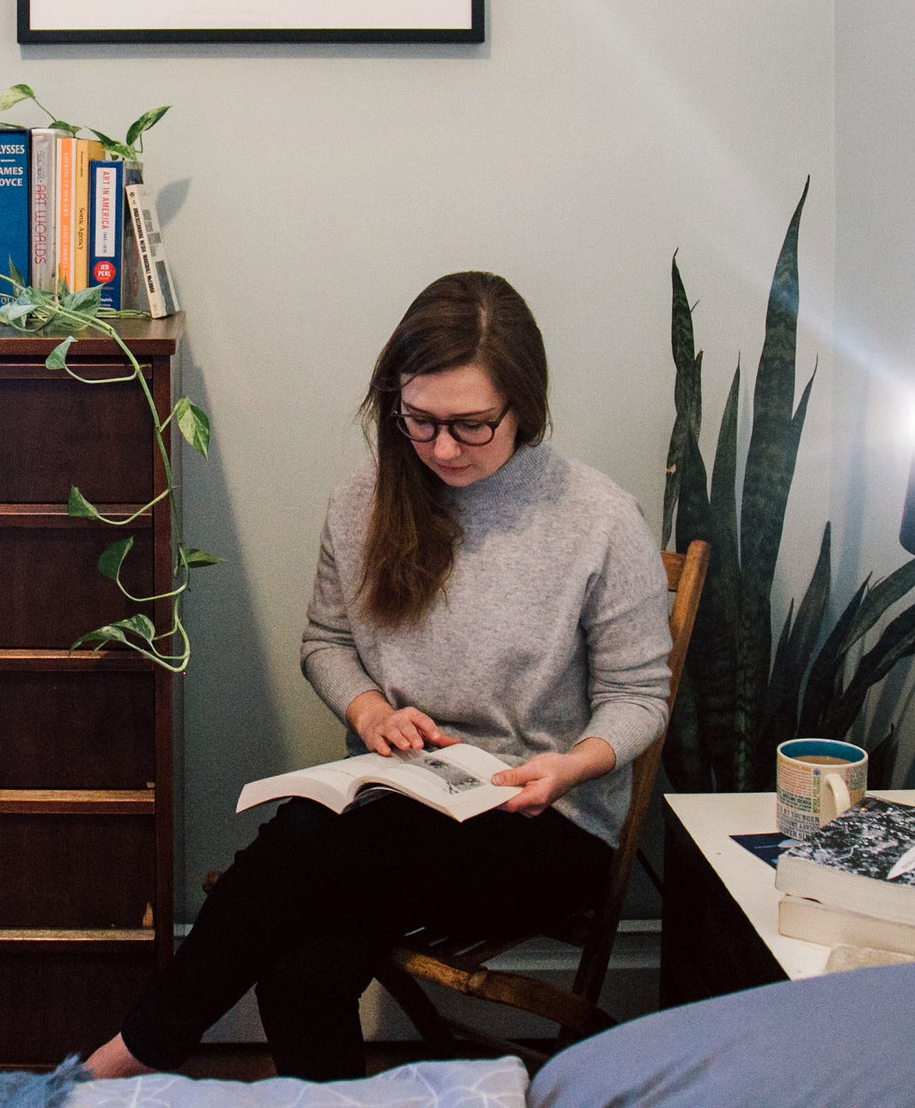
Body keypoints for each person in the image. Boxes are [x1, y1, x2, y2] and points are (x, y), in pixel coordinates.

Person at [85, 271, 673, 1082]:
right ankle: (159, 1056)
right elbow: (327, 641)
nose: (440, 448)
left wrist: (572, 763)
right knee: (302, 974)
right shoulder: (368, 496)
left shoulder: (600, 519)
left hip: (547, 821)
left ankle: (131, 1052)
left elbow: (640, 697)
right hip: (400, 803)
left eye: (472, 426)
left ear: (524, 408)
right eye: (419, 420)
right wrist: (368, 712)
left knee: (305, 837)